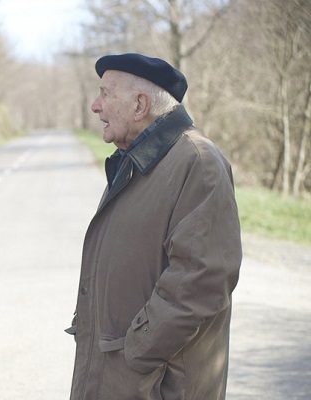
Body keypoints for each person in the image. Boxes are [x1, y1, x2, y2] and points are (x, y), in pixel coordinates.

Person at [67, 53, 242, 400]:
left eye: (105, 94)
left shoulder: (197, 161)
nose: (95, 106)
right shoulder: (136, 161)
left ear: (139, 105)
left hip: (158, 384)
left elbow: (201, 280)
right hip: (122, 378)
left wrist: (137, 351)